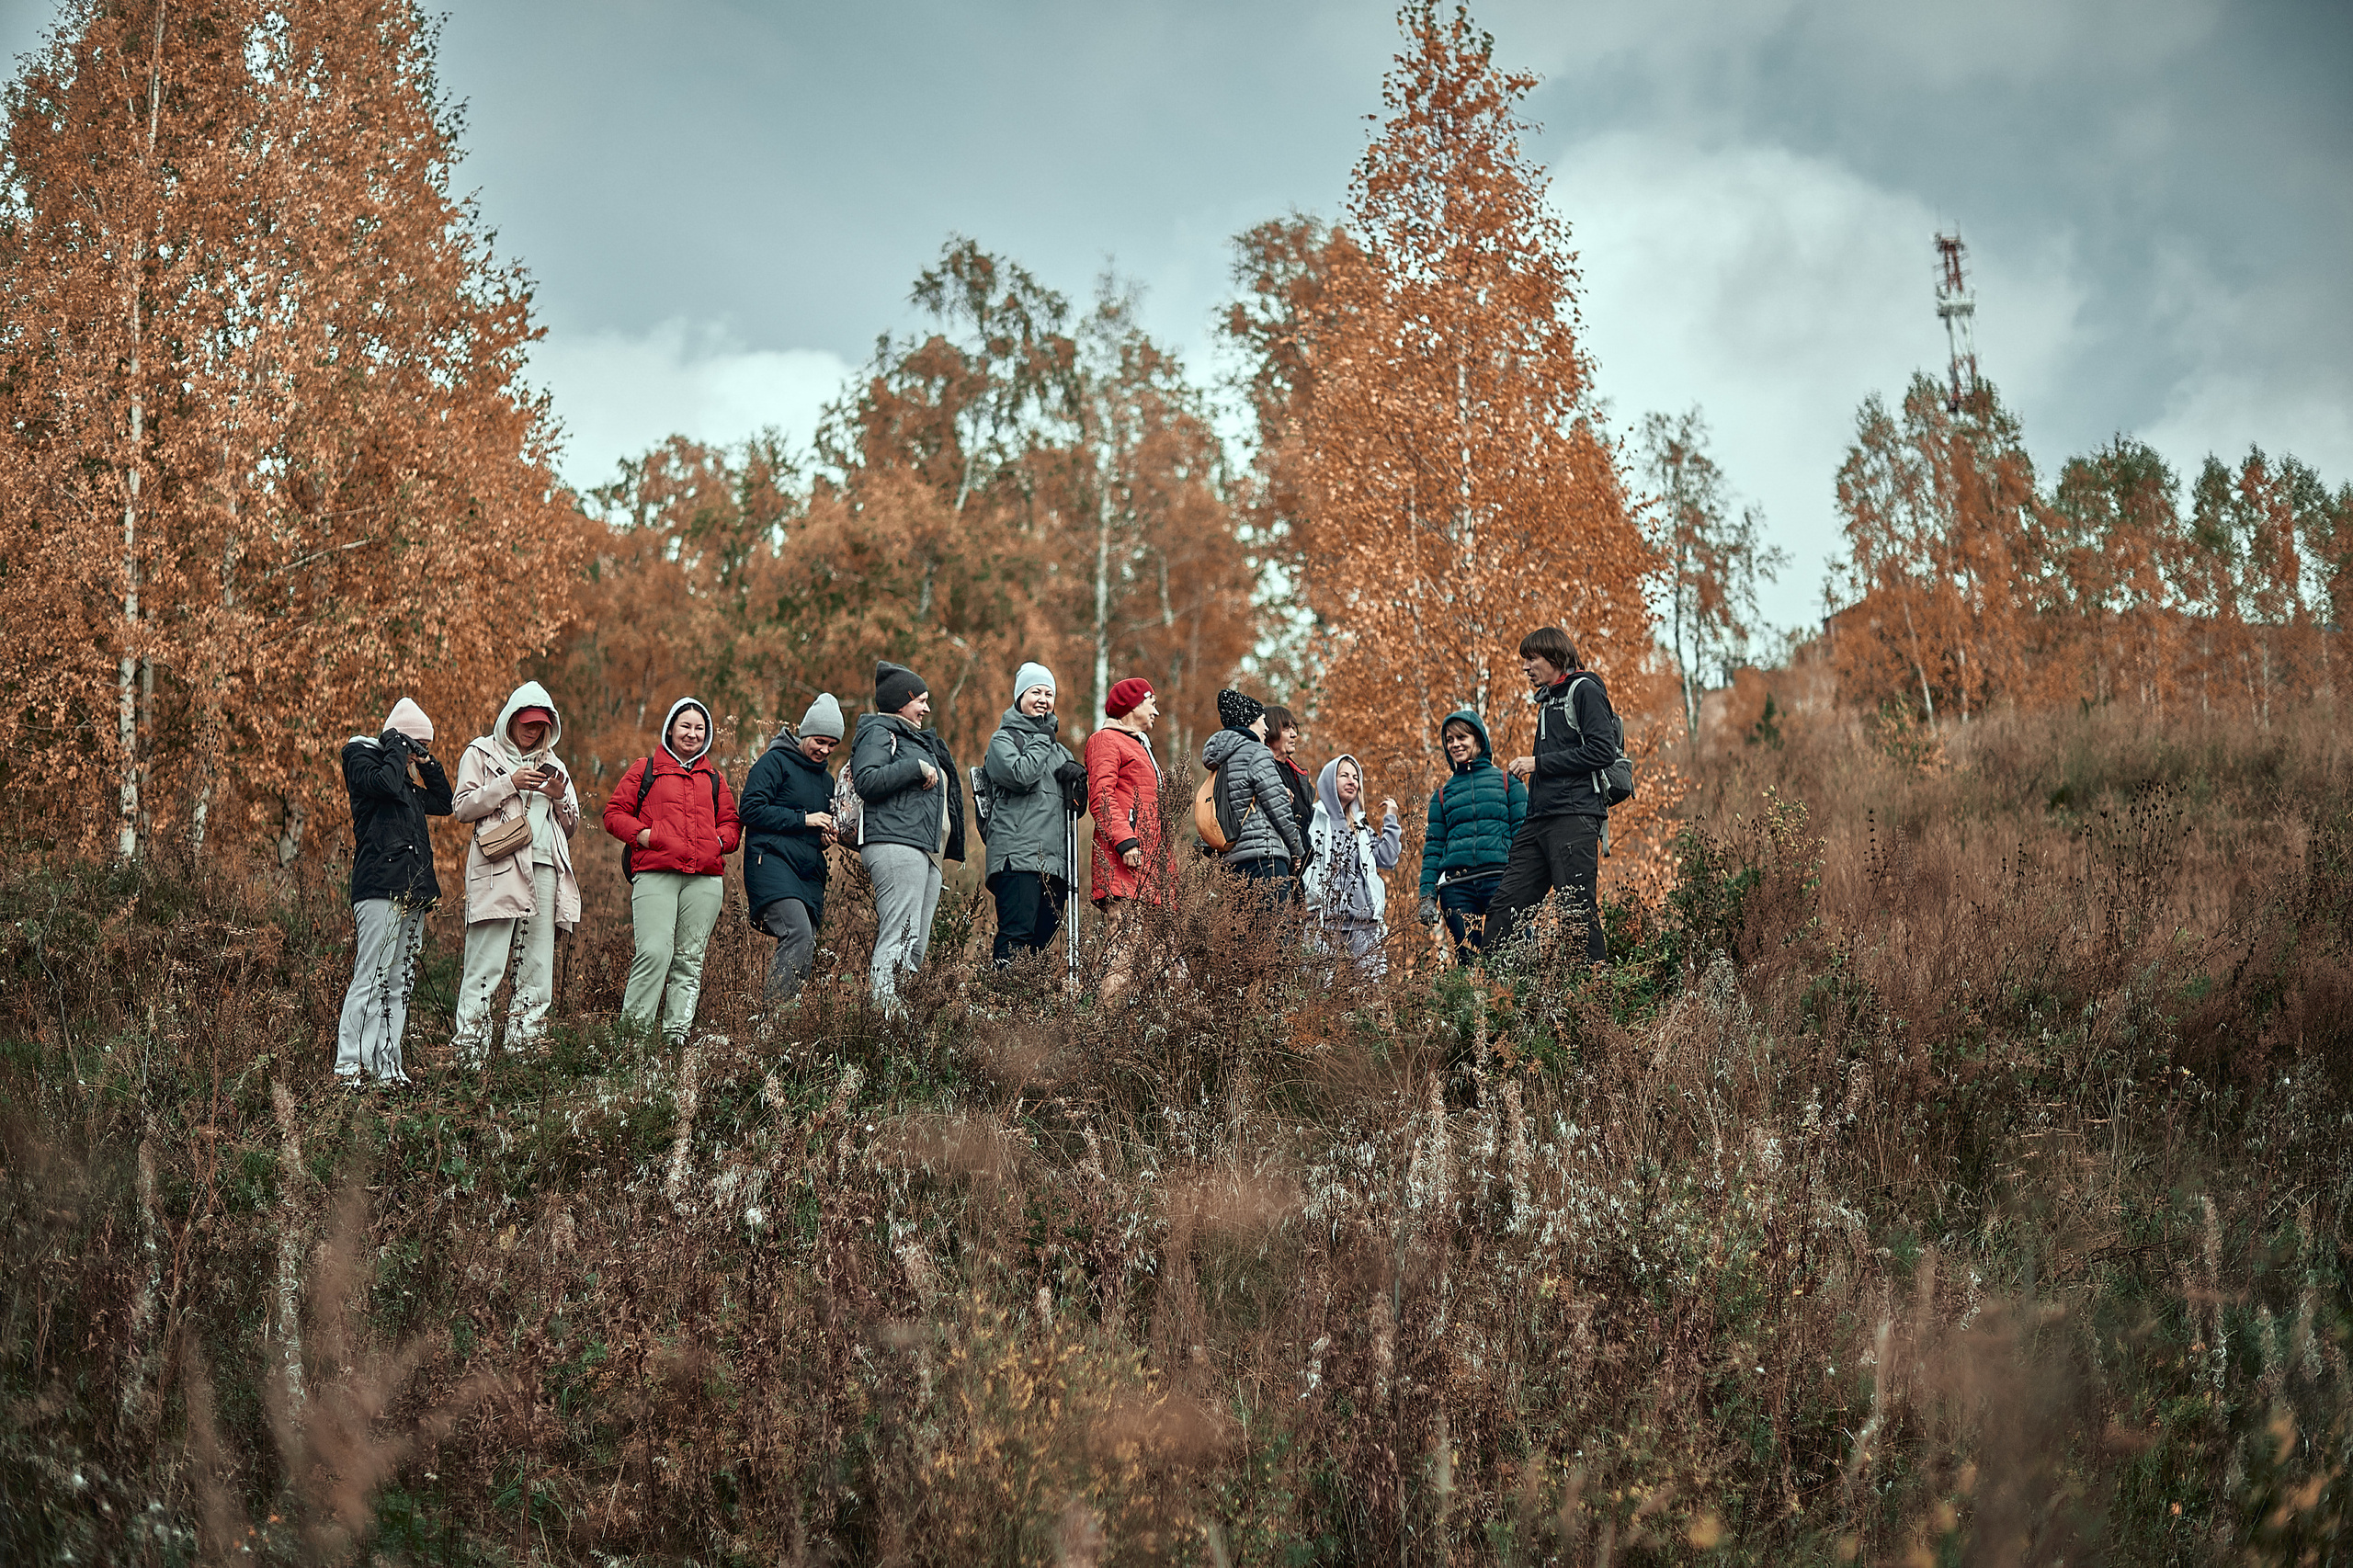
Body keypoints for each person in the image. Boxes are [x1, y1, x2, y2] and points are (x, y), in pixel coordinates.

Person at [449, 682, 583, 1062]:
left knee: (537, 968)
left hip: (545, 869)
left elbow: (571, 826)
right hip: (498, 868)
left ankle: (523, 1056)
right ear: (511, 718)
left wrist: (559, 798)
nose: (532, 730)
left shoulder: (555, 765)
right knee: (485, 964)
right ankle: (470, 1055)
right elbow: (461, 807)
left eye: (540, 724)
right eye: (526, 721)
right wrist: (509, 783)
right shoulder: (481, 752)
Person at [603, 699, 740, 1043]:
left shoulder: (714, 778)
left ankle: (675, 1036)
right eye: (685, 726)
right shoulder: (645, 768)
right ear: (670, 729)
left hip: (705, 880)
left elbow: (731, 823)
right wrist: (646, 835)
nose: (692, 734)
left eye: (699, 728)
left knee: (690, 959)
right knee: (654, 952)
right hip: (655, 872)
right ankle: (632, 1039)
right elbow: (614, 814)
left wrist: (719, 843)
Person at [335, 698, 451, 1087]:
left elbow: (444, 802)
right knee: (370, 975)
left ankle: (385, 1065)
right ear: (395, 739)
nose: (413, 756)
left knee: (400, 978)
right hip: (377, 888)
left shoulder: (404, 783)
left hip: (412, 890)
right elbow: (383, 782)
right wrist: (394, 743)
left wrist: (427, 763)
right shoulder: (361, 759)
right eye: (413, 746)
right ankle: (348, 1064)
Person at [1488, 628, 1620, 964]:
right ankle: (1502, 998)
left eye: (1531, 659)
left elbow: (1603, 750)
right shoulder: (1548, 700)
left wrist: (1538, 763)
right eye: (1525, 660)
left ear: (1555, 657)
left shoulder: (1585, 690)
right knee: (1505, 908)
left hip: (1574, 818)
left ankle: (1595, 1002)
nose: (1525, 667)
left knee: (1575, 912)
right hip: (1539, 821)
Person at [851, 660, 966, 1010]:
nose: (927, 709)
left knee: (914, 943)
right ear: (903, 701)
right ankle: (884, 1019)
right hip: (896, 843)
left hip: (925, 850)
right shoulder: (879, 732)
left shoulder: (914, 738)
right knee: (898, 937)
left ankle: (900, 1020)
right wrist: (914, 767)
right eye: (922, 701)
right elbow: (867, 779)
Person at [740, 693, 845, 1012]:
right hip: (770, 863)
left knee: (807, 943)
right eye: (819, 741)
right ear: (804, 733)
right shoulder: (774, 762)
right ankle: (772, 1018)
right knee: (798, 933)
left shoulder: (827, 780)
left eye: (831, 744)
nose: (824, 750)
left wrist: (823, 836)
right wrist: (804, 818)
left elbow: (811, 830)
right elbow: (750, 809)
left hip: (808, 874)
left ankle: (787, 1020)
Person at [982, 662, 1086, 968]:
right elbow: (1021, 776)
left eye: (1049, 693)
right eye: (1035, 691)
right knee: (1015, 936)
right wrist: (1042, 737)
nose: (1043, 699)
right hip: (1017, 857)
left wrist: (1080, 783)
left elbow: (1074, 812)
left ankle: (1024, 1008)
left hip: (1054, 862)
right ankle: (1001, 1007)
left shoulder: (1061, 751)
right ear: (1019, 697)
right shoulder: (1003, 740)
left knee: (1040, 942)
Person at [1415, 710, 1527, 964]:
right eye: (1449, 739)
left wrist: (1526, 884)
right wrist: (1427, 897)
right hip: (1457, 889)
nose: (1455, 744)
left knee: (1515, 958)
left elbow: (1524, 839)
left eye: (1461, 737)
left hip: (1501, 881)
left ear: (1477, 739)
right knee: (1470, 964)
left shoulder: (1509, 784)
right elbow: (1433, 849)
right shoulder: (1442, 796)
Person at [1086, 676, 1164, 1002]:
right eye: (1151, 703)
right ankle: (1107, 1032)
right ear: (1132, 705)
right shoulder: (1106, 740)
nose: (1156, 712)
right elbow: (1101, 795)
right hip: (1124, 860)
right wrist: (1125, 840)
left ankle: (1145, 1035)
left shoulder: (1138, 744)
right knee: (1124, 951)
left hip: (1148, 863)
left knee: (1157, 955)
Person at [1199, 689, 1304, 903]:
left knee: (1247, 933)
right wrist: (1298, 850)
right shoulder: (1256, 752)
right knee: (1276, 932)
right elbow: (1279, 807)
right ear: (1249, 722)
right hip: (1264, 859)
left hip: (1234, 861)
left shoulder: (1223, 758)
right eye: (1262, 721)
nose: (1266, 728)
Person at [1302, 754, 1403, 974]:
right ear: (1329, 781)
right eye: (1344, 775)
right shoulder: (1314, 819)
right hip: (1325, 923)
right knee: (1320, 992)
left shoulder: (1361, 827)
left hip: (1363, 923)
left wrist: (1391, 819)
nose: (1352, 781)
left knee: (1369, 991)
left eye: (1356, 777)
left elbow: (1389, 857)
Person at [1262, 705, 1316, 873]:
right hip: (1273, 868)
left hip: (1299, 871)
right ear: (1269, 733)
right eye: (1286, 728)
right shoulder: (1262, 773)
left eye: (1293, 728)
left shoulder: (1298, 775)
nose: (1294, 734)